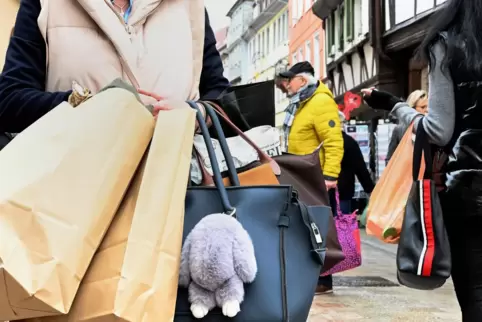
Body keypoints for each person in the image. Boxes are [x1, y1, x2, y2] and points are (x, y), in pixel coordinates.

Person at [362, 0, 482, 319]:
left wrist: (396, 107)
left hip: (469, 191)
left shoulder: (449, 43)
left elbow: (438, 130)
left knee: (476, 298)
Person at [0, 0, 229, 133]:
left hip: (178, 189)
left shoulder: (189, 7)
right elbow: (9, 101)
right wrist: (86, 105)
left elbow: (222, 101)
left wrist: (195, 115)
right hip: (72, 193)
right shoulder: (45, 3)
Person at [278, 61, 343, 294]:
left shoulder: (320, 102)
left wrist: (330, 175)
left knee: (319, 226)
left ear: (302, 81)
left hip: (316, 177)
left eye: (290, 80)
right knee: (306, 226)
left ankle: (323, 280)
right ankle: (311, 277)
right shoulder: (302, 104)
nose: (287, 84)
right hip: (301, 175)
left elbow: (334, 141)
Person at [337, 111, 374, 213]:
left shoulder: (321, 141)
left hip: (323, 192)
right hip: (344, 190)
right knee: (343, 223)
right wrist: (370, 189)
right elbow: (360, 168)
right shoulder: (349, 142)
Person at [386, 90, 428, 164]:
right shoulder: (399, 130)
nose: (426, 110)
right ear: (412, 109)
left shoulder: (430, 129)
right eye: (423, 107)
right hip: (406, 172)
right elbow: (390, 159)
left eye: (428, 107)